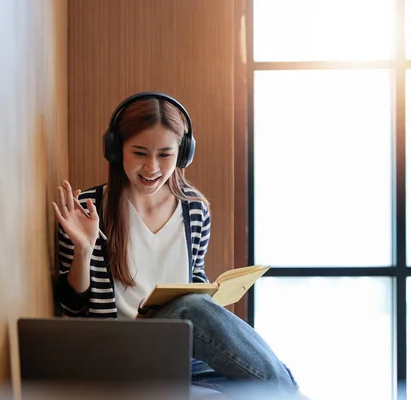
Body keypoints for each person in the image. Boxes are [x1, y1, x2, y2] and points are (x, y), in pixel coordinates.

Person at [51, 92, 300, 396]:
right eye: (139, 153)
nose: (152, 167)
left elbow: (195, 279)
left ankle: (285, 389)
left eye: (165, 155)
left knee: (251, 388)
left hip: (182, 359)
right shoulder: (89, 210)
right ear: (116, 150)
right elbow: (71, 308)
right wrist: (84, 249)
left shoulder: (194, 210)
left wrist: (210, 291)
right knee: (193, 309)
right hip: (120, 356)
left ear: (182, 154)